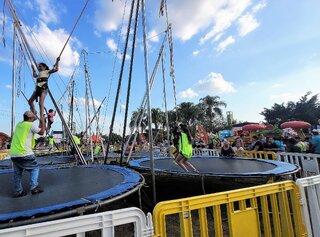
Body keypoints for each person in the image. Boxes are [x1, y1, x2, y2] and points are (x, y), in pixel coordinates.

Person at [10, 111, 45, 197]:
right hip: (25, 153)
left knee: (17, 173)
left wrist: (34, 112)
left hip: (14, 154)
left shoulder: (19, 124)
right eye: (33, 115)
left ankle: (18, 191)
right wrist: (43, 121)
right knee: (35, 168)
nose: (34, 115)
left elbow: (33, 117)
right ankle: (34, 187)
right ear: (30, 117)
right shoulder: (30, 125)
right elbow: (42, 132)